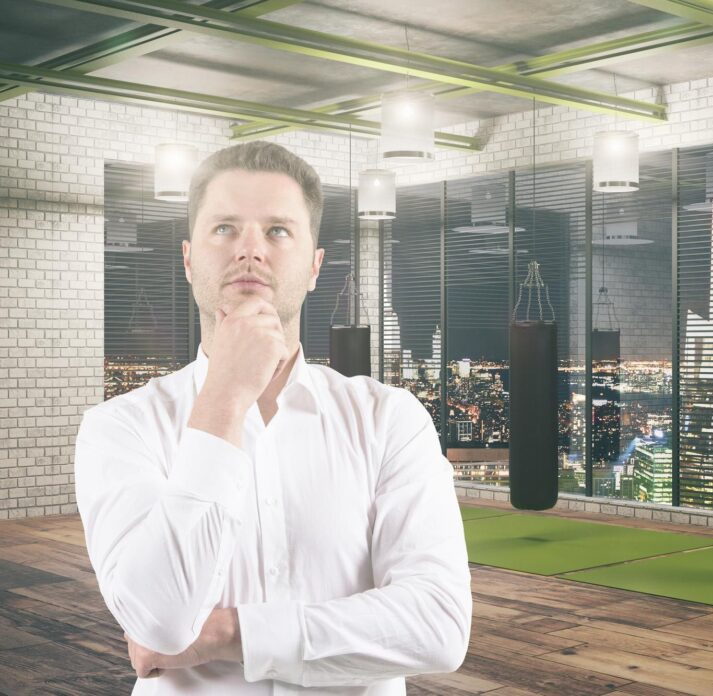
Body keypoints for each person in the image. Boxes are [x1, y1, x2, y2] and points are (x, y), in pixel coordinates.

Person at [73, 141, 472, 695]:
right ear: (188, 259)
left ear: (314, 267)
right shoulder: (120, 427)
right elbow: (159, 622)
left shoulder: (390, 419)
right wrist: (225, 394)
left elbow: (438, 627)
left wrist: (229, 634)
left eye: (278, 230)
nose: (250, 250)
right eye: (225, 228)